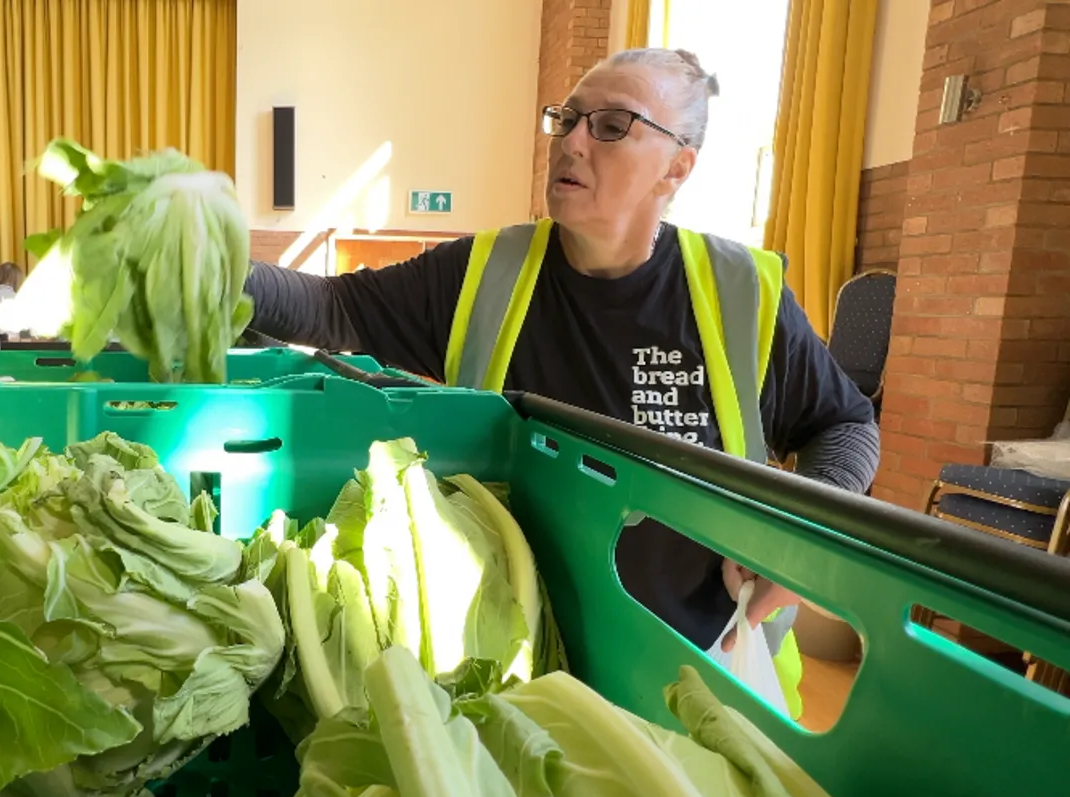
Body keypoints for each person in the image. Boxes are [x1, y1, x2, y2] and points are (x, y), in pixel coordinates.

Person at [240, 48, 880, 708]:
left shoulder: (740, 292)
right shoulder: (486, 272)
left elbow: (845, 422)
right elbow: (336, 305)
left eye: (610, 126)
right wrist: (221, 262)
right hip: (510, 679)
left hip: (706, 681)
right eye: (567, 118)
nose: (571, 141)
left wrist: (796, 538)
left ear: (676, 167)